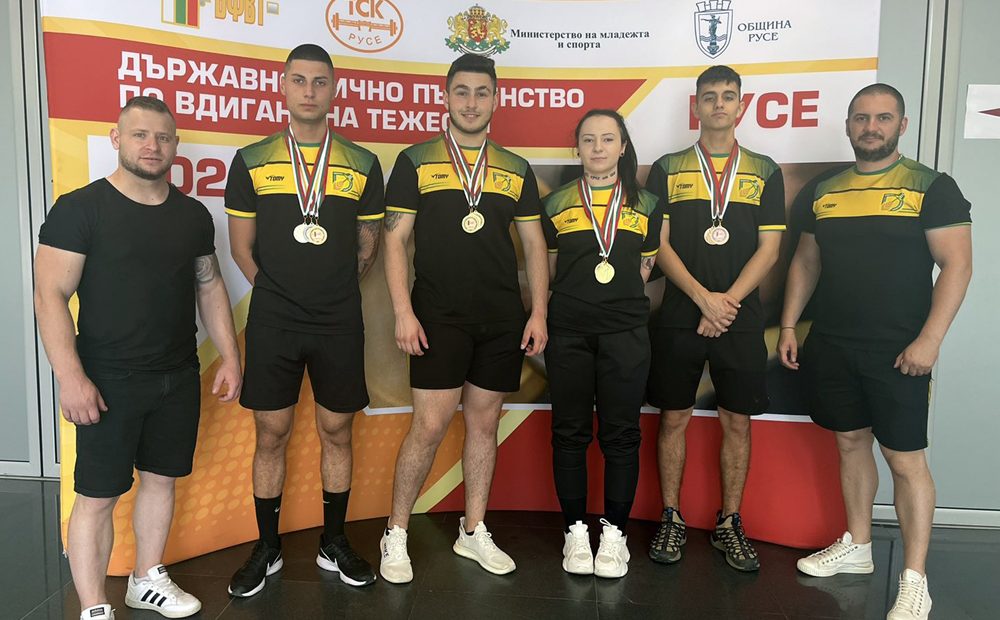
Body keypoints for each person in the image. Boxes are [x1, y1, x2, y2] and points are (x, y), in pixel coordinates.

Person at [34, 96, 242, 620]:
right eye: (140, 135)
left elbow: (209, 285)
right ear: (117, 139)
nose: (153, 146)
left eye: (163, 137)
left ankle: (146, 578)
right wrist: (71, 378)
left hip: (177, 375)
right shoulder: (80, 209)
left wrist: (231, 356)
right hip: (107, 379)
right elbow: (49, 295)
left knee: (161, 480)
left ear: (175, 145)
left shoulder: (192, 215)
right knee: (97, 496)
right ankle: (93, 607)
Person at [779, 83, 972, 620]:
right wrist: (790, 323)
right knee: (849, 441)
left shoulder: (932, 186)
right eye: (861, 118)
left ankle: (915, 579)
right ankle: (858, 546)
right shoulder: (824, 189)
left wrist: (930, 340)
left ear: (901, 126)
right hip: (834, 343)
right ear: (848, 125)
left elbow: (957, 265)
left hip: (900, 349)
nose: (871, 127)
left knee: (905, 459)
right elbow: (806, 261)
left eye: (883, 118)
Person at [378, 53, 549, 584]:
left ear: (496, 99)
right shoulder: (415, 161)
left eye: (482, 92)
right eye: (462, 91)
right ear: (446, 97)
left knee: (484, 424)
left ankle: (473, 531)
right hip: (437, 317)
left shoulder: (515, 168)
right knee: (429, 426)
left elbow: (534, 245)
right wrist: (403, 312)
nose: (471, 103)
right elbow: (394, 240)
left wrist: (539, 312)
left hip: (500, 319)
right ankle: (395, 533)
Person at [225, 44, 384, 596]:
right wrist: (281, 294)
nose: (309, 91)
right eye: (299, 80)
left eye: (320, 81)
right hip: (274, 320)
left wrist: (328, 292)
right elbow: (240, 247)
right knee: (271, 432)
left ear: (334, 89)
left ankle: (333, 541)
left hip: (339, 319)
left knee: (336, 429)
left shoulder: (363, 163)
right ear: (283, 86)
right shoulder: (251, 159)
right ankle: (267, 547)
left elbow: (367, 248)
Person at [644, 65, 785, 572]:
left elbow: (770, 249)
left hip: (740, 317)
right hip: (680, 312)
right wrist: (704, 299)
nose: (719, 104)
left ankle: (729, 521)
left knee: (737, 421)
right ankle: (671, 516)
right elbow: (658, 245)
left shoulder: (765, 170)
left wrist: (724, 304)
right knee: (673, 418)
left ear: (742, 106)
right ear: (696, 106)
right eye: (710, 97)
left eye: (728, 96)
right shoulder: (667, 168)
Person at [540, 109, 663, 578]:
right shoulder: (555, 204)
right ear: (576, 148)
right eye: (588, 139)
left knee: (621, 434)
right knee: (569, 433)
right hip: (568, 331)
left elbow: (645, 266)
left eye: (607, 139)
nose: (597, 148)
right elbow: (551, 270)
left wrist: (613, 303)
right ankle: (575, 532)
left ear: (623, 147)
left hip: (625, 333)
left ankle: (614, 536)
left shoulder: (647, 203)